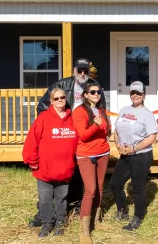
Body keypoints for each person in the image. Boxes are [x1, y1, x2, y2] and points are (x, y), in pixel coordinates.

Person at [29, 58, 105, 227]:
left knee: (77, 172)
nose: (83, 74)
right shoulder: (62, 85)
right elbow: (43, 106)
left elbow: (101, 110)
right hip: (66, 132)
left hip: (85, 136)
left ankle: (75, 206)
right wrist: (56, 122)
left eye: (86, 71)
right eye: (80, 71)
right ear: (74, 71)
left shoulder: (94, 87)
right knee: (53, 175)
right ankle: (43, 212)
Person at [22, 88, 79, 238]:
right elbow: (31, 141)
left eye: (62, 97)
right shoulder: (44, 118)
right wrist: (32, 161)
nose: (60, 100)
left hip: (65, 169)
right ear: (51, 101)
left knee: (61, 198)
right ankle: (47, 223)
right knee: (45, 199)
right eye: (56, 98)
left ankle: (60, 222)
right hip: (45, 170)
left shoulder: (73, 118)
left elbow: (81, 139)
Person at [109, 81, 158, 231]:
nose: (135, 95)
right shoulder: (124, 110)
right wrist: (118, 145)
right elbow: (116, 130)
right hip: (124, 154)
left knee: (138, 188)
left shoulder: (147, 114)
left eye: (138, 93)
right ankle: (123, 211)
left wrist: (134, 148)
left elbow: (152, 137)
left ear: (144, 95)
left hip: (141, 155)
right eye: (132, 93)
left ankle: (138, 217)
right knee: (115, 184)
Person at [72, 80, 111, 243]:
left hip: (103, 152)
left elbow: (105, 130)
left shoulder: (102, 110)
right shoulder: (79, 111)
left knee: (100, 187)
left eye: (98, 92)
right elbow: (84, 135)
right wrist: (95, 124)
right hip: (86, 154)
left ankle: (96, 220)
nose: (96, 94)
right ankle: (84, 230)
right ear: (85, 95)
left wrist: (108, 131)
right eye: (92, 92)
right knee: (90, 189)